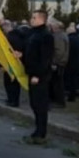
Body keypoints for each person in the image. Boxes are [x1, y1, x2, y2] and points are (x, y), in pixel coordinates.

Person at [23, 9, 55, 144]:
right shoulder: (33, 33)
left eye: (34, 18)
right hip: (31, 73)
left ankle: (41, 132)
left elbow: (45, 59)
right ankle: (37, 128)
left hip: (40, 76)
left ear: (42, 19)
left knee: (40, 104)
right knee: (34, 103)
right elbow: (30, 52)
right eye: (32, 17)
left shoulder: (46, 35)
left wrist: (38, 75)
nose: (32, 19)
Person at [2, 19, 26, 107]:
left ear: (7, 26)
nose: (3, 29)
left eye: (3, 27)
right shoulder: (16, 35)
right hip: (14, 62)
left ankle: (13, 100)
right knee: (12, 82)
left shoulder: (12, 36)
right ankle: (11, 99)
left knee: (11, 82)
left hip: (12, 62)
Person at [49, 18, 69, 108]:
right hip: (61, 62)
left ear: (56, 27)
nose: (51, 28)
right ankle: (58, 101)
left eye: (52, 26)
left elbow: (58, 51)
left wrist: (54, 62)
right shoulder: (63, 35)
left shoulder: (58, 36)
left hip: (58, 63)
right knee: (58, 83)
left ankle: (59, 102)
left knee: (57, 83)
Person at [65, 23, 79, 102]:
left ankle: (70, 95)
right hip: (77, 62)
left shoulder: (69, 39)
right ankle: (73, 95)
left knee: (69, 79)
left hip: (69, 62)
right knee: (74, 79)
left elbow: (67, 51)